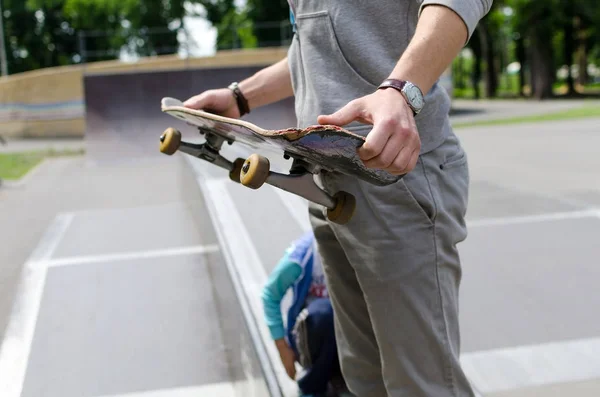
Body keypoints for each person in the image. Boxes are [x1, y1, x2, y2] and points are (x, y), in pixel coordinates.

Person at [184, 1, 493, 395]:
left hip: (395, 174)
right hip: (327, 173)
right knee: (362, 377)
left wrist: (401, 90)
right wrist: (241, 97)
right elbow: (315, 45)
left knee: (420, 385)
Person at [261, 231, 344, 397]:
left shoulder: (362, 249)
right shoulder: (304, 255)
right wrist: (282, 348)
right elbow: (270, 295)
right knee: (325, 313)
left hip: (349, 338)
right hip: (313, 337)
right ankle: (312, 386)